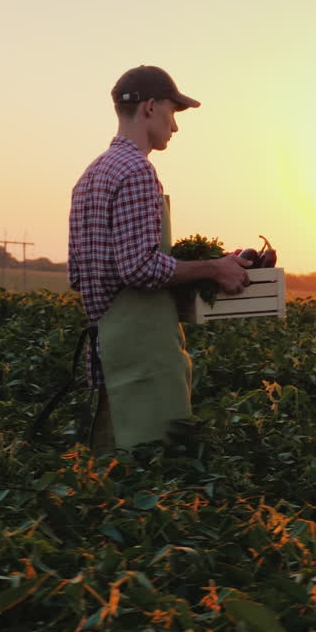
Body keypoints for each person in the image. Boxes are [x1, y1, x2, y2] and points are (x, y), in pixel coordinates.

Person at [67, 65, 250, 451]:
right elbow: (139, 267)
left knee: (111, 481)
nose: (176, 126)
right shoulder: (137, 171)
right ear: (150, 107)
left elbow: (87, 270)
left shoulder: (91, 175)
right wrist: (214, 268)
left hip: (109, 349)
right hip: (143, 355)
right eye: (173, 112)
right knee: (158, 475)